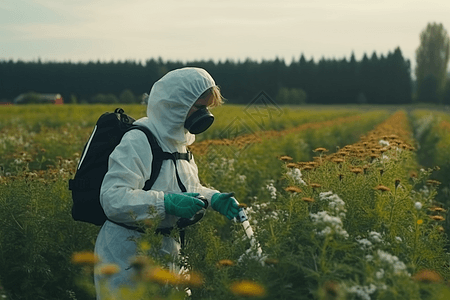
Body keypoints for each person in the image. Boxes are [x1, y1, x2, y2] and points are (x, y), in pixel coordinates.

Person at [94, 67, 240, 298]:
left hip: (168, 252)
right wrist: (167, 203)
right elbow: (113, 198)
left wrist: (214, 199)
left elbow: (187, 189)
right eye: (200, 107)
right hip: (128, 256)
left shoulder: (178, 142)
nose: (205, 115)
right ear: (176, 103)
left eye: (208, 108)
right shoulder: (139, 139)